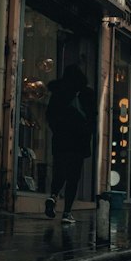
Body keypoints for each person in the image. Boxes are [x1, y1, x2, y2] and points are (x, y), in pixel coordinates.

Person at [44, 65, 96, 224]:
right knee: (73, 177)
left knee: (59, 172)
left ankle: (53, 196)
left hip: (60, 141)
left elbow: (50, 116)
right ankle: (67, 212)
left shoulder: (58, 93)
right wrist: (86, 132)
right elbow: (93, 117)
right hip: (77, 143)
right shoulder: (87, 94)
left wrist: (58, 130)